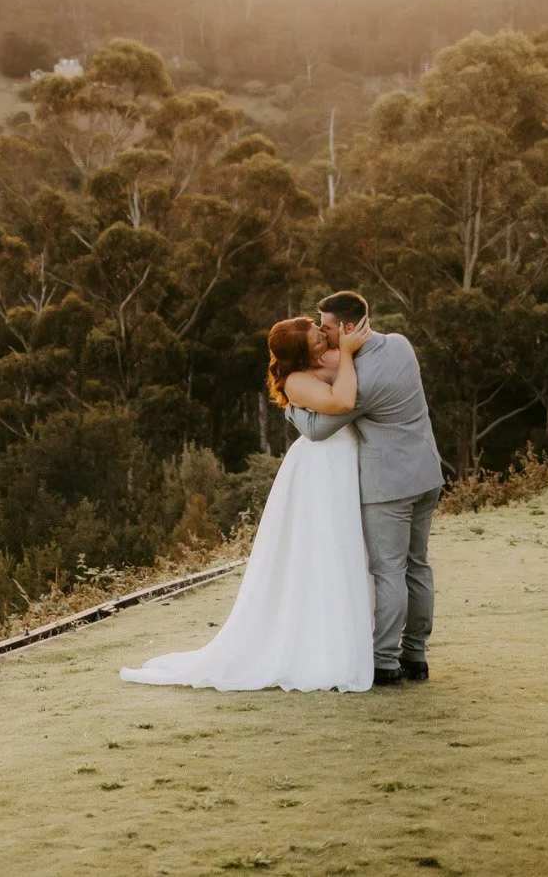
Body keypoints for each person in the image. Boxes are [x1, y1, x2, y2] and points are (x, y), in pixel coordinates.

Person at [119, 313, 374, 693]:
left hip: (344, 460)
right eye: (317, 340)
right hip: (322, 467)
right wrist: (349, 355)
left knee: (353, 545)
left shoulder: (325, 359)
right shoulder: (298, 380)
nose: (325, 340)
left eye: (321, 333)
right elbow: (341, 402)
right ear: (302, 356)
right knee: (325, 548)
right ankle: (325, 648)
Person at [293, 290, 443, 685]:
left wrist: (289, 399)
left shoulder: (358, 381)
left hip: (390, 485)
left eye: (326, 327)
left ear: (346, 328)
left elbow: (316, 429)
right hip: (427, 473)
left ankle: (385, 662)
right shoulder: (400, 344)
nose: (323, 335)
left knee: (388, 570)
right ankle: (417, 655)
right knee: (418, 565)